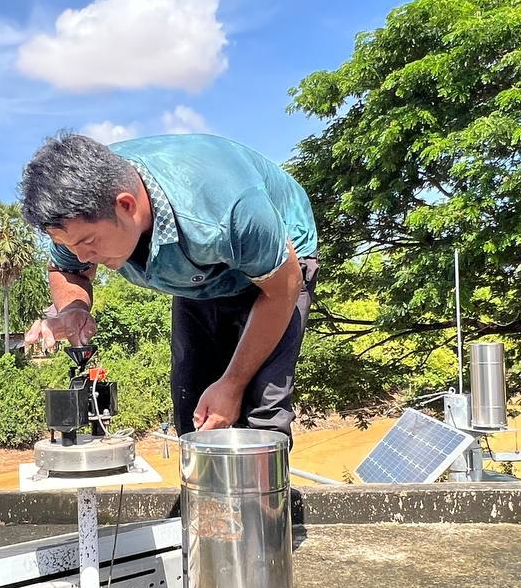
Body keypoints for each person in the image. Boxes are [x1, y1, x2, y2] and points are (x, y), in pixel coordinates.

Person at [19, 130, 318, 441]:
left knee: (261, 415)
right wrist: (74, 308)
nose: (82, 257)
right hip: (199, 267)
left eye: (88, 242)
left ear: (126, 205)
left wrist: (233, 383)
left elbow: (282, 289)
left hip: (278, 267)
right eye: (69, 245)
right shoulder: (77, 211)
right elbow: (66, 269)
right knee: (195, 410)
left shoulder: (230, 211)